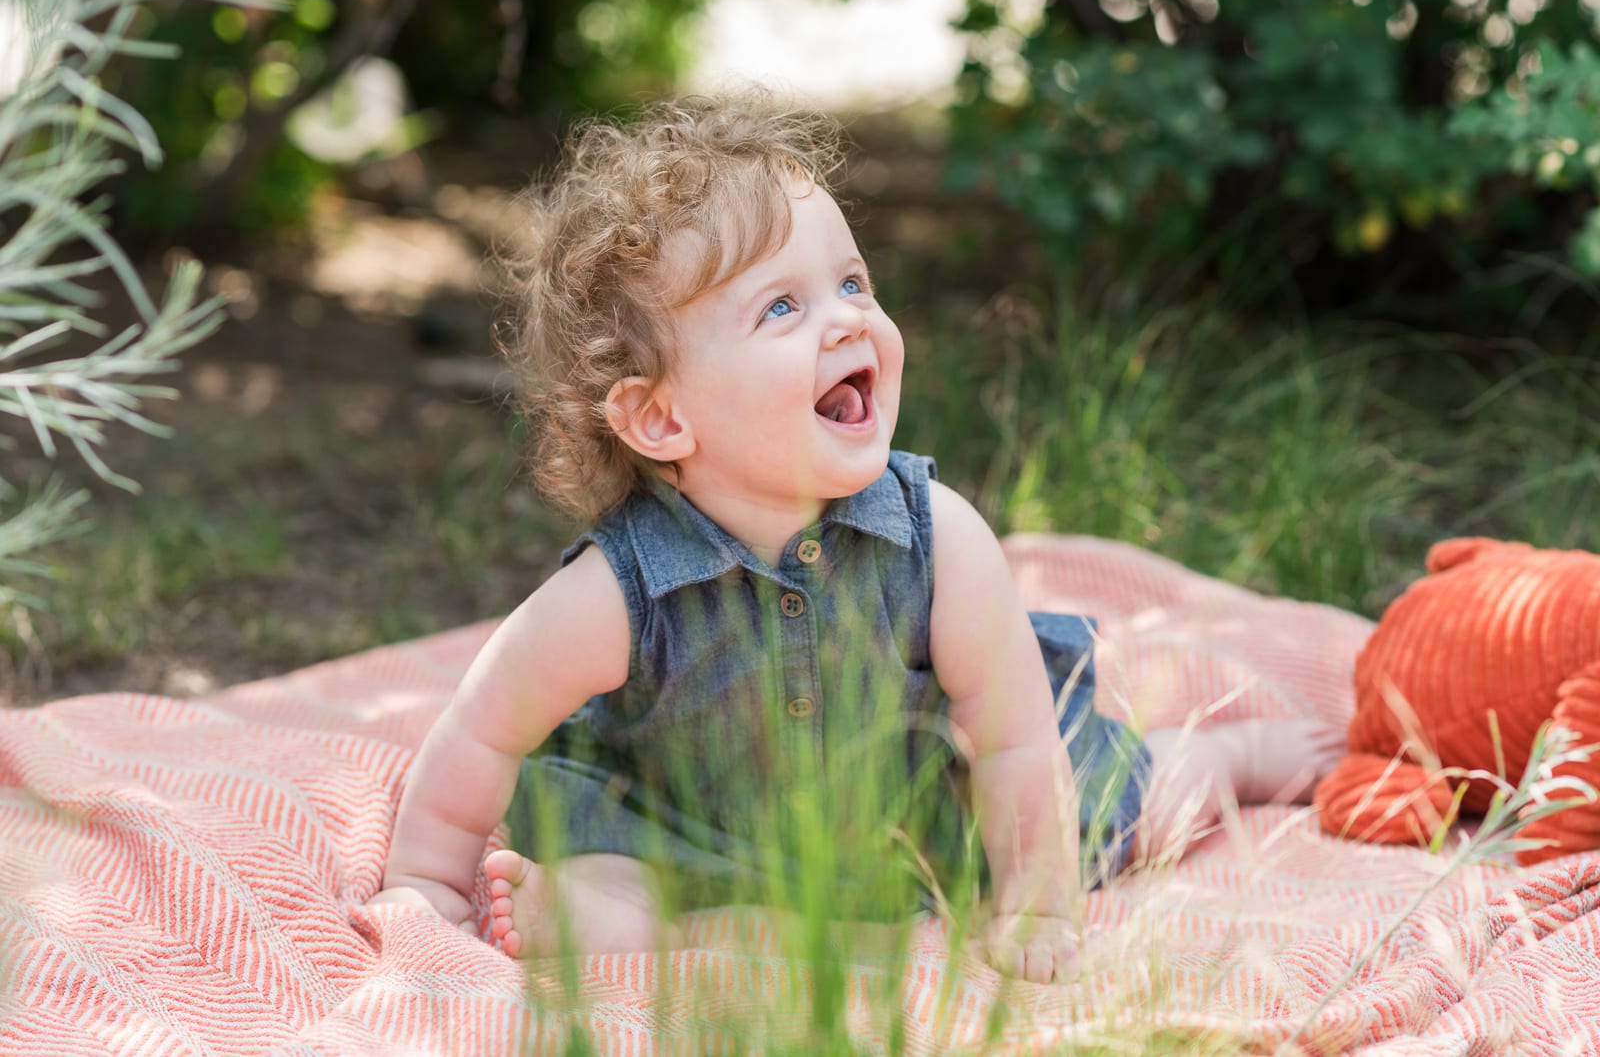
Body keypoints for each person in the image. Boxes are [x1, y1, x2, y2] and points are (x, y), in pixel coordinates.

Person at [367, 93, 1344, 985]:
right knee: (609, 873)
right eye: (782, 307)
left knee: (1113, 805)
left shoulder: (936, 541)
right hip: (693, 826)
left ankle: (1230, 758)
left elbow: (1011, 736)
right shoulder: (619, 592)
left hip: (930, 814)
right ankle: (616, 920)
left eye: (851, 284)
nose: (846, 321)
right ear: (661, 420)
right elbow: (486, 723)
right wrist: (424, 879)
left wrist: (1034, 905)